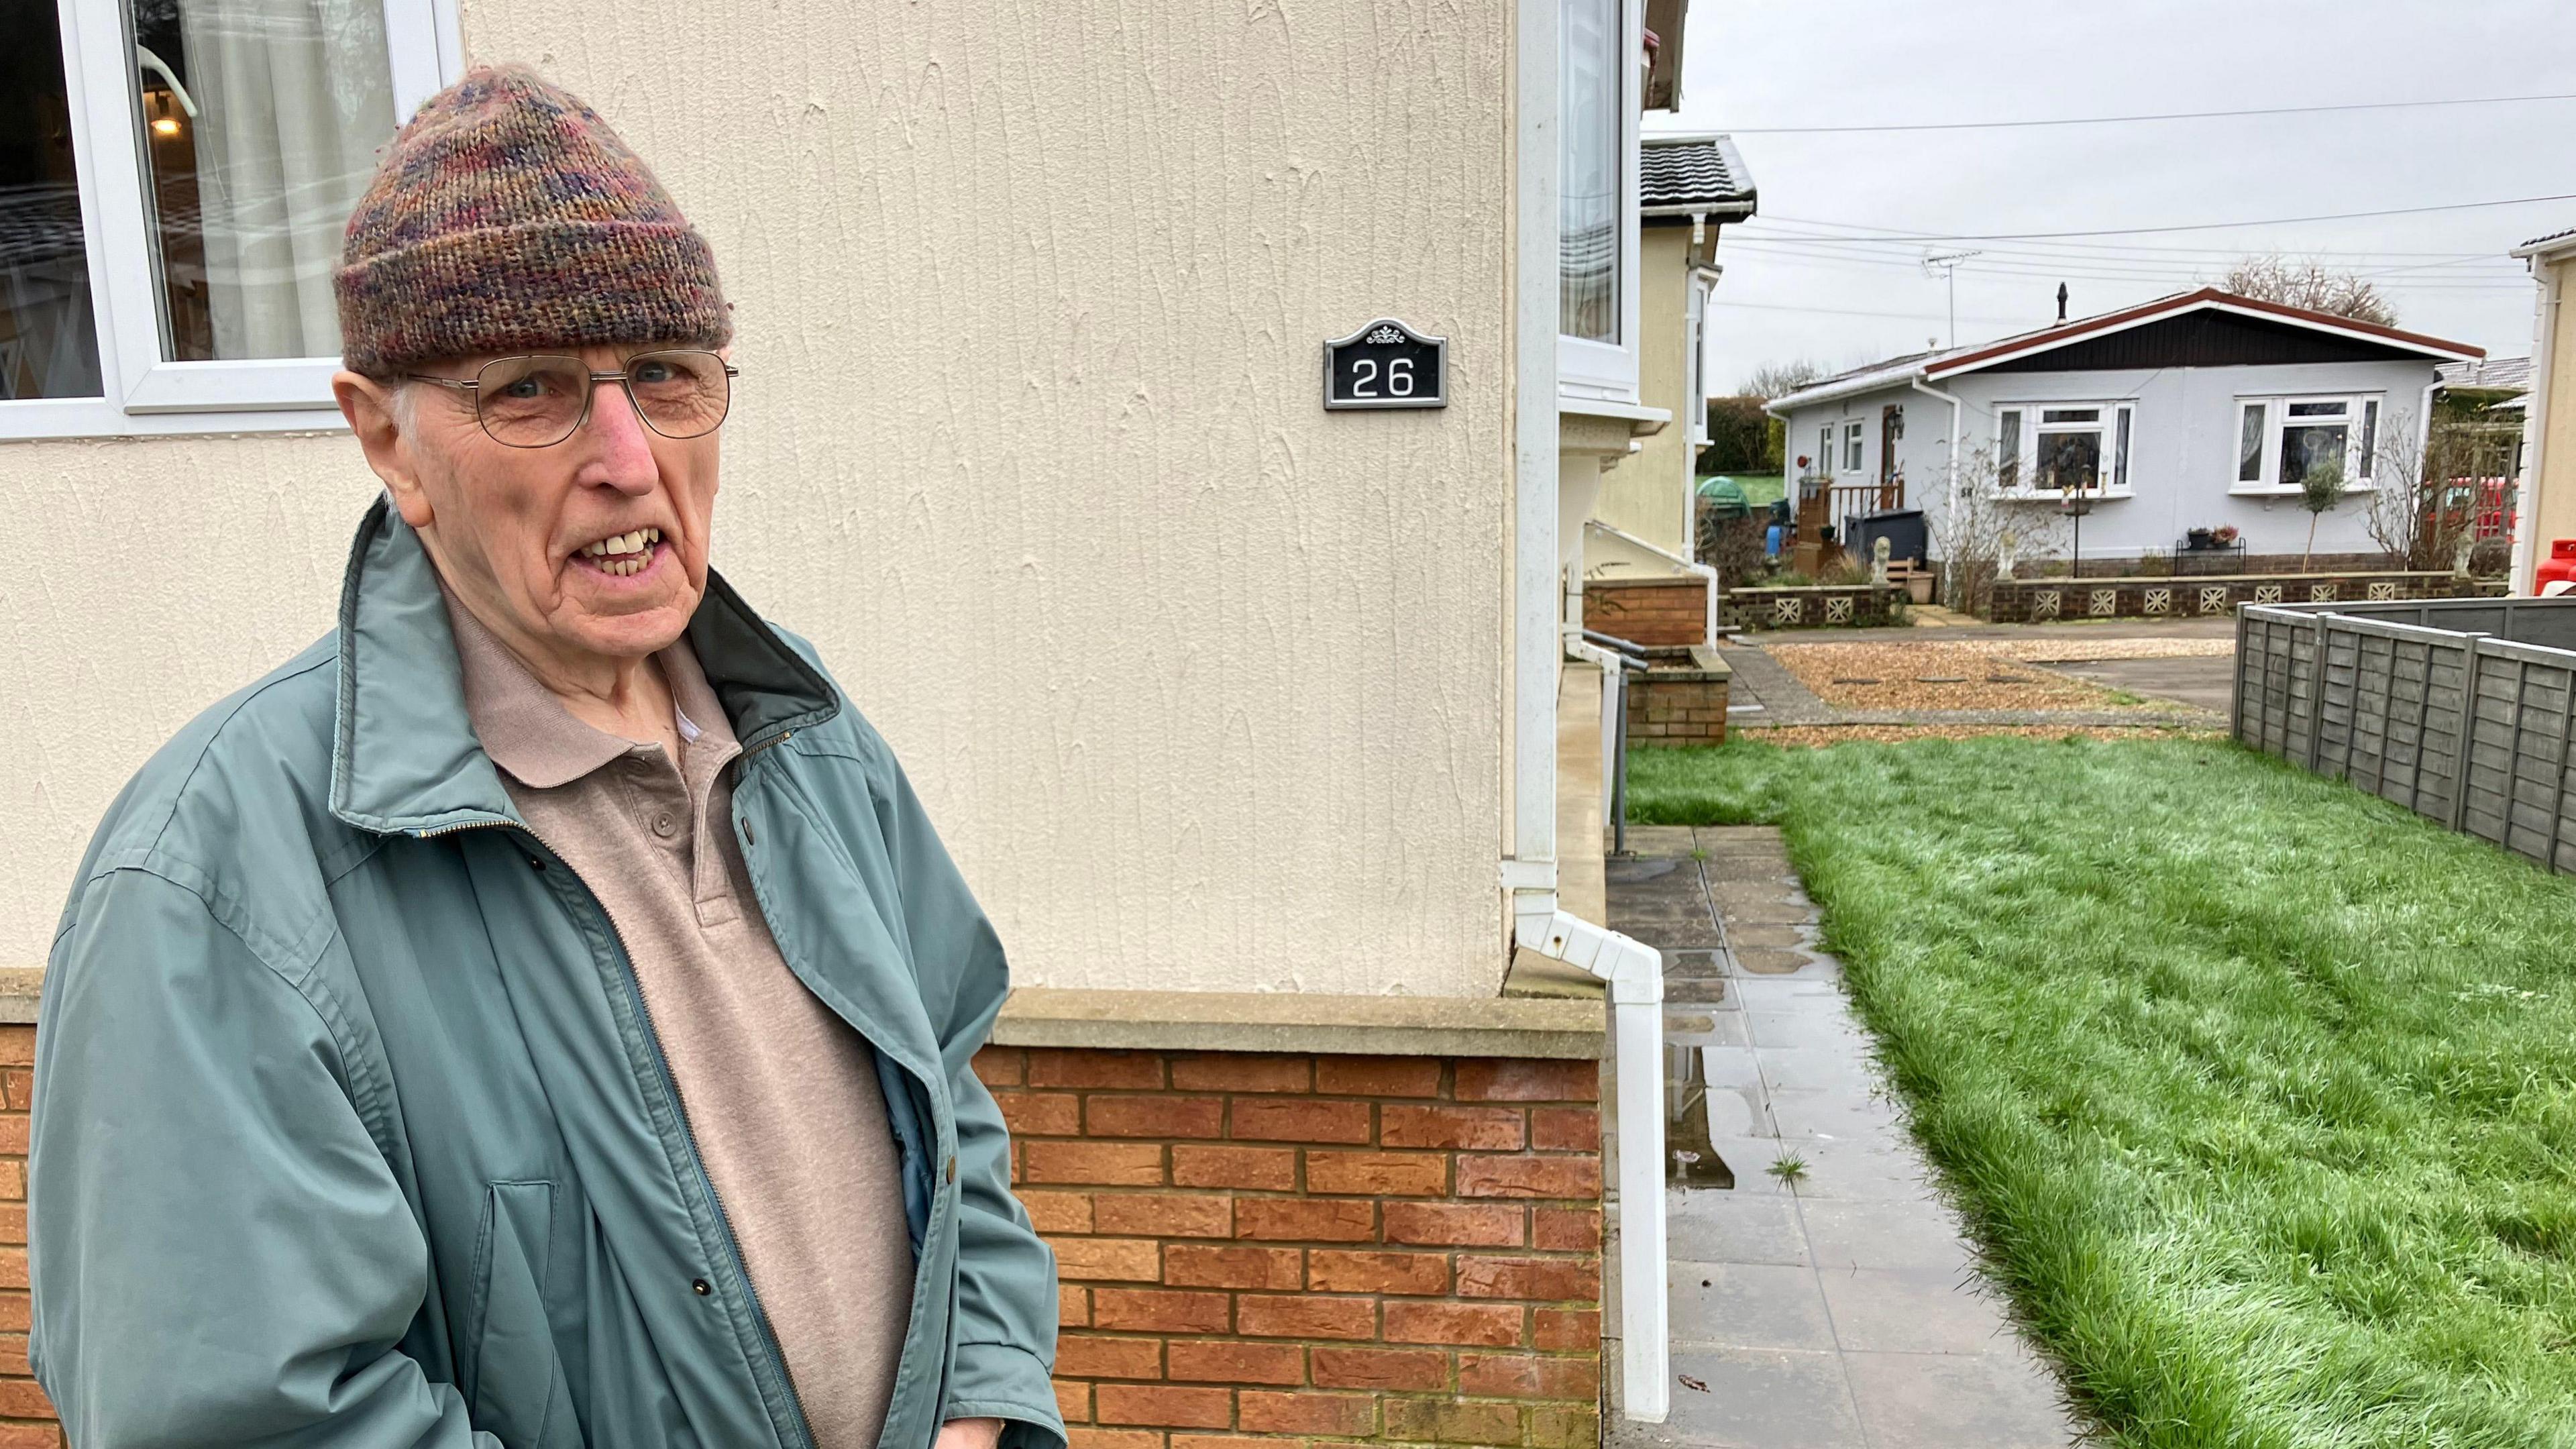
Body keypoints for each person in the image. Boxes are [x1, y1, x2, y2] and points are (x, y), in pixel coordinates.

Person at [28, 64, 1061, 1449]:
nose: (629, 457)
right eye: (533, 392)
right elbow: (242, 1420)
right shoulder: (217, 875)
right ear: (388, 438)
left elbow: (954, 1117)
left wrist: (981, 1410)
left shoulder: (812, 748)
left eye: (666, 378)